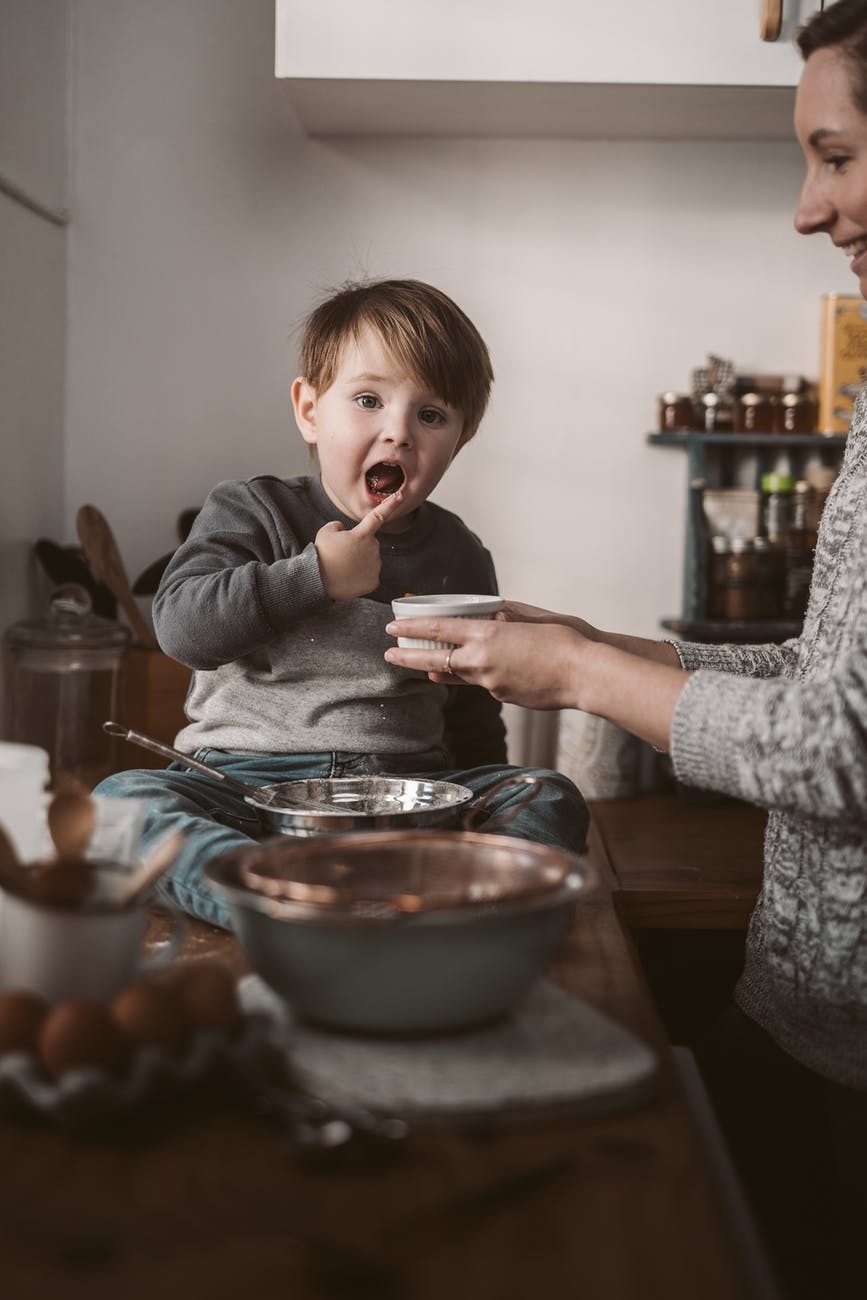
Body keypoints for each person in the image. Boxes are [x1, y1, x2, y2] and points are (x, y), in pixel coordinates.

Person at [383, 7, 867, 1297]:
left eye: (837, 155)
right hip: (808, 1011)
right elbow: (839, 692)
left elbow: (842, 754)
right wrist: (594, 639)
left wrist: (582, 680)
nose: (810, 209)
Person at [95, 278, 588, 928]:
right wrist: (312, 577)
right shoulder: (251, 511)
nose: (398, 433)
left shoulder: (460, 552)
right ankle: (274, 898)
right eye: (367, 399)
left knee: (547, 793)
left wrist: (476, 802)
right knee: (121, 803)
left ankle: (460, 902)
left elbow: (470, 708)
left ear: (461, 438)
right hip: (246, 790)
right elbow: (182, 628)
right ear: (309, 409)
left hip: (411, 799)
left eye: (431, 415)